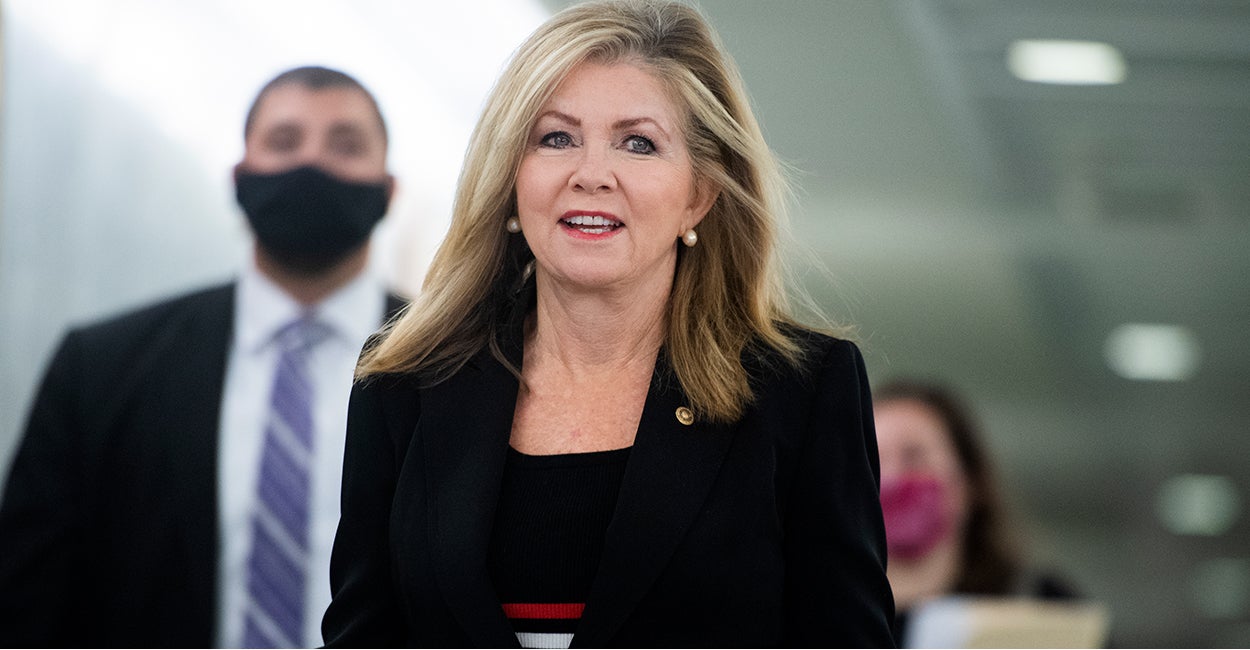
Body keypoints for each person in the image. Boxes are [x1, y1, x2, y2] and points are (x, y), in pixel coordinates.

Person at [320, 1, 896, 647]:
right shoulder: (404, 386)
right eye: (556, 138)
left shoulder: (802, 392)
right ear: (511, 179)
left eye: (638, 143)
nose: (591, 175)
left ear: (699, 195)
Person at [0, 65, 407, 647]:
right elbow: (26, 602)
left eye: (345, 145)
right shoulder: (99, 370)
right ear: (240, 179)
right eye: (284, 141)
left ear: (388, 190)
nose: (311, 163)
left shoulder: (459, 363)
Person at [873, 378, 1082, 646]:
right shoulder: (831, 616)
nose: (890, 477)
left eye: (914, 457)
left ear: (971, 481)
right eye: (874, 461)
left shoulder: (1042, 606)